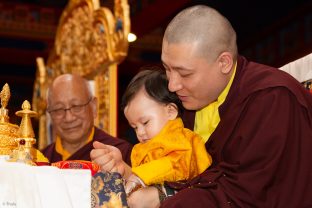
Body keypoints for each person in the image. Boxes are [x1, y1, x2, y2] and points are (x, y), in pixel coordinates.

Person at [92, 5, 312, 208]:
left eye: (184, 73)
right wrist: (129, 171)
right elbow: (180, 167)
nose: (172, 84)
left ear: (223, 63)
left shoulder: (272, 99)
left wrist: (163, 196)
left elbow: (246, 193)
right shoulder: (187, 103)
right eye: (167, 69)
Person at [120, 68, 212, 195]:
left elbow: (177, 164)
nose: (140, 132)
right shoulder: (144, 147)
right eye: (134, 127)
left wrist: (140, 176)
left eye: (145, 122)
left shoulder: (180, 139)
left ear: (170, 112)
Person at [42, 73, 133, 165]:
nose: (69, 118)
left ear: (93, 107)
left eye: (76, 106)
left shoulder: (120, 154)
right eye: (59, 109)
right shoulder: (40, 161)